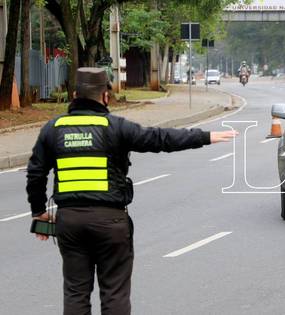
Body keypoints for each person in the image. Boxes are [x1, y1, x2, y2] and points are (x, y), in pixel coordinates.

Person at [26, 67, 237, 315]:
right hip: (111, 222)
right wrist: (205, 136)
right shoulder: (116, 127)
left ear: (74, 95)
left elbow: (36, 174)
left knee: (76, 292)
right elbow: (160, 139)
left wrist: (39, 212)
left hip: (69, 222)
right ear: (105, 96)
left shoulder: (53, 129)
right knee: (114, 292)